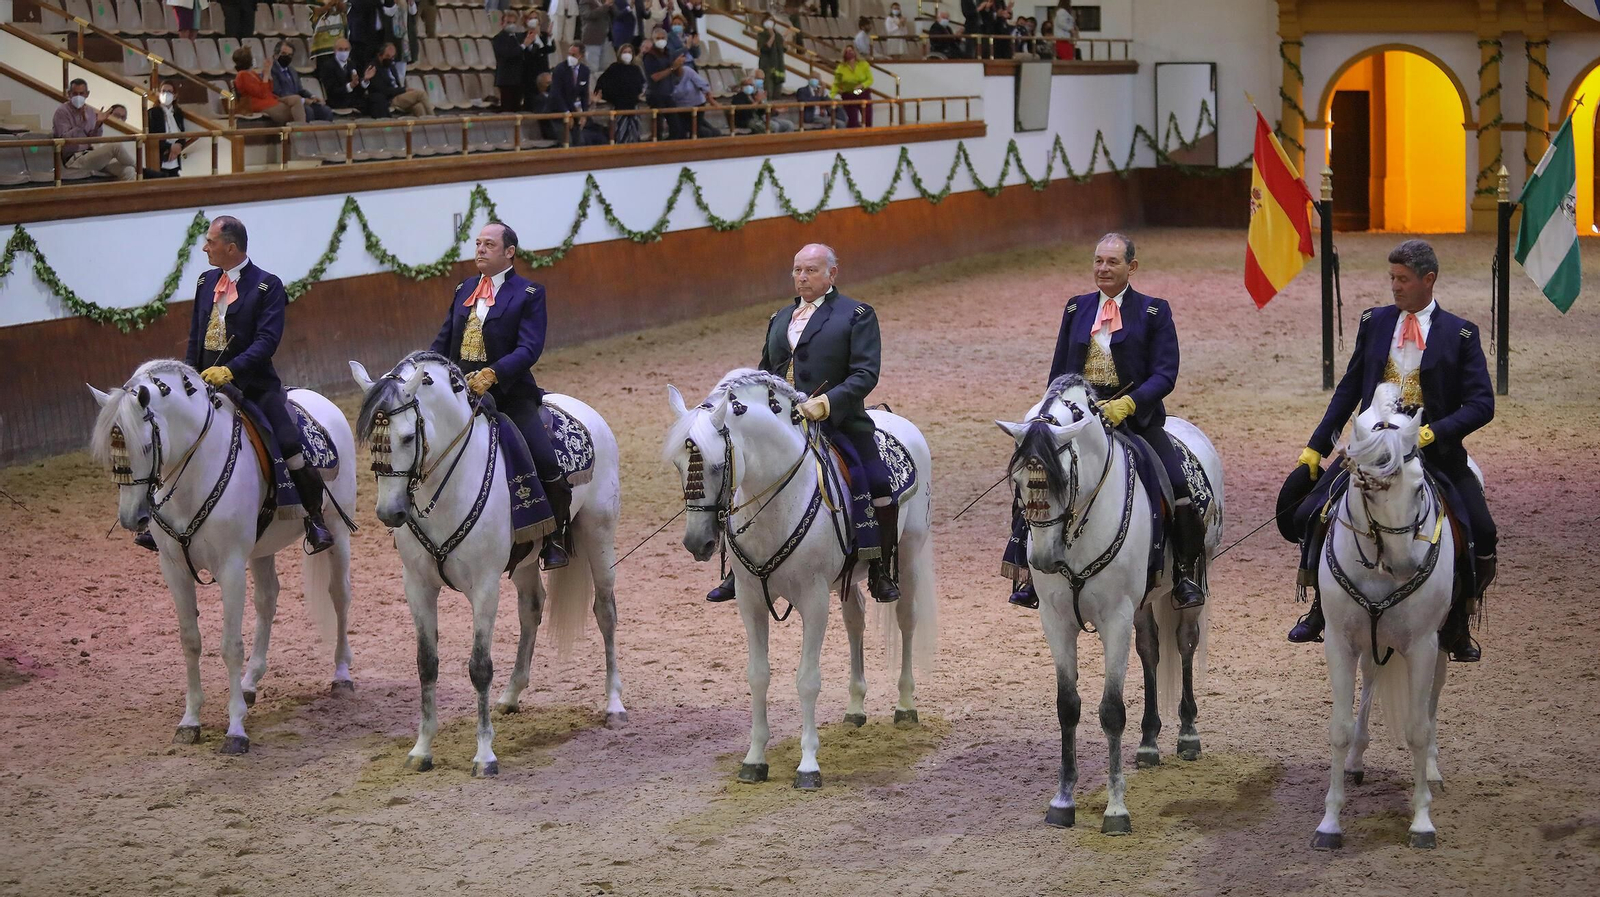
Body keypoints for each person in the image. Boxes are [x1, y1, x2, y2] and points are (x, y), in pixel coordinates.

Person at [1284, 240, 1495, 663]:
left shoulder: (1461, 334)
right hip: (1372, 447)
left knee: (1481, 531)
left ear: (1428, 279)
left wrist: (1433, 433)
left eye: (1403, 279)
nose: (1395, 286)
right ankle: (1321, 606)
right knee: (1311, 513)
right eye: (1392, 278)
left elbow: (1481, 404)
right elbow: (1349, 388)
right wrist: (1316, 445)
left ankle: (1458, 619)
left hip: (1432, 452)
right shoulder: (1375, 321)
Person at [1004, 234, 1207, 612]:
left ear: (1132, 267)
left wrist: (1128, 404)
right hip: (1078, 422)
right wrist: (1053, 412)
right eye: (1098, 261)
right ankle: (1029, 569)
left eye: (1112, 262)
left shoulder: (1154, 311)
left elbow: (1165, 374)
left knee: (1177, 485)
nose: (1103, 268)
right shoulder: (1076, 308)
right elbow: (1060, 372)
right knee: (1034, 475)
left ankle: (1183, 572)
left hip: (1136, 421)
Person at [706, 243, 901, 604]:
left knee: (877, 482)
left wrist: (826, 403)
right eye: (797, 270)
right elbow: (765, 372)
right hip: (780, 427)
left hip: (838, 424)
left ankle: (879, 567)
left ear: (831, 273)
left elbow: (864, 373)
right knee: (737, 477)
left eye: (811, 270)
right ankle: (736, 567)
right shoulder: (780, 318)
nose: (802, 277)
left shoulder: (856, 314)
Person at [156, 216, 335, 554]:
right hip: (205, 384)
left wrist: (231, 370)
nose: (205, 248)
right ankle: (160, 516)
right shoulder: (205, 281)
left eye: (211, 242)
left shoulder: (267, 286)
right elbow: (196, 335)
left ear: (231, 247)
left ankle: (314, 518)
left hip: (254, 385)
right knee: (167, 436)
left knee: (289, 441)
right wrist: (188, 377)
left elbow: (267, 341)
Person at [430, 224, 573, 569]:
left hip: (509, 395)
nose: (480, 249)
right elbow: (444, 340)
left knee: (545, 460)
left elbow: (528, 348)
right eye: (478, 243)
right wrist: (424, 368)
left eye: (489, 244)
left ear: (509, 252)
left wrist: (493, 373)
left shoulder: (529, 293)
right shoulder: (464, 288)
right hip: (460, 395)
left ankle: (555, 536)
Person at [52, 79, 134, 181]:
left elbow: (95, 139)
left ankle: (134, 181)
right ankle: (142, 169)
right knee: (116, 146)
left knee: (128, 171)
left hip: (91, 155)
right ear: (69, 94)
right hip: (74, 160)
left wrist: (98, 124)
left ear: (87, 94)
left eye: (81, 93)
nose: (78, 97)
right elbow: (64, 139)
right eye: (75, 94)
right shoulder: (62, 112)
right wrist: (81, 125)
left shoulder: (90, 111)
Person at [233, 46, 307, 123]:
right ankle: (300, 127)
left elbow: (270, 89)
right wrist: (266, 75)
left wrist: (268, 71)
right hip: (260, 104)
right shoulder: (242, 75)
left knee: (296, 99)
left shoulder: (252, 73)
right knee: (296, 111)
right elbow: (262, 94)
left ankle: (301, 126)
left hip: (271, 99)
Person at [270, 40, 335, 122]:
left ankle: (324, 131)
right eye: (284, 54)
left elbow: (300, 90)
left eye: (290, 55)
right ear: (276, 55)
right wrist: (303, 100)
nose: (287, 57)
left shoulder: (292, 70)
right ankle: (302, 131)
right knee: (308, 111)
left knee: (325, 111)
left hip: (299, 102)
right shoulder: (271, 70)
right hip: (285, 104)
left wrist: (312, 97)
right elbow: (278, 93)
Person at [366, 40, 434, 117]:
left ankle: (425, 123)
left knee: (418, 107)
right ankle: (434, 119)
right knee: (421, 94)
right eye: (387, 56)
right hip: (389, 98)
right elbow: (383, 90)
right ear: (380, 55)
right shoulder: (373, 68)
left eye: (392, 57)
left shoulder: (391, 66)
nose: (390, 58)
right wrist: (404, 90)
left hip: (399, 94)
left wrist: (403, 91)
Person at [596, 45, 646, 142]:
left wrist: (641, 93)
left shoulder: (635, 69)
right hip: (619, 105)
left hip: (633, 105)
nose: (627, 54)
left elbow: (642, 84)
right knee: (621, 132)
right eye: (625, 52)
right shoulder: (614, 68)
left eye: (629, 52)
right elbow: (602, 83)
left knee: (634, 132)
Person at [642, 27, 685, 139]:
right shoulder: (649, 56)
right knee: (658, 127)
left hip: (668, 94)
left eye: (663, 38)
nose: (661, 40)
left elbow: (678, 74)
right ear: (653, 40)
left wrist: (679, 65)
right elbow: (655, 77)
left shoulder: (669, 53)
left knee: (676, 126)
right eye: (658, 38)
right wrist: (672, 67)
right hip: (655, 95)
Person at [146, 79, 191, 178]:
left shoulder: (178, 113)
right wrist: (170, 147)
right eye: (163, 91)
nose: (166, 94)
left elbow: (182, 133)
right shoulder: (153, 112)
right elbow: (152, 136)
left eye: (169, 91)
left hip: (175, 159)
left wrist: (178, 146)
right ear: (159, 94)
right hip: (159, 158)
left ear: (174, 96)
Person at [671, 57, 722, 138]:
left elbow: (703, 85)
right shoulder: (668, 75)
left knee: (695, 129)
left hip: (697, 104)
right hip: (680, 106)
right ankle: (714, 133)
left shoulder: (688, 71)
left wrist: (711, 100)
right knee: (683, 128)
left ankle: (712, 134)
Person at [492, 10, 531, 112]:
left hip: (518, 78)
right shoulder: (498, 38)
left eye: (514, 22)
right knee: (507, 109)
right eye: (509, 22)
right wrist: (523, 46)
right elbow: (506, 54)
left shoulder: (518, 37)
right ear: (502, 23)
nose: (511, 25)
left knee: (517, 108)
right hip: (506, 79)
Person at [729, 74, 793, 133]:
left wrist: (774, 110)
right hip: (747, 121)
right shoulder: (738, 97)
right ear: (742, 86)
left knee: (789, 125)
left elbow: (762, 111)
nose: (749, 86)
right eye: (747, 85)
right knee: (774, 126)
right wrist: (757, 101)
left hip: (760, 119)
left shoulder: (753, 96)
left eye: (751, 85)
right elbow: (744, 111)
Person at [316, 38, 367, 110]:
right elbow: (331, 90)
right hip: (337, 101)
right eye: (340, 49)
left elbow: (357, 88)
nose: (343, 52)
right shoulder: (328, 66)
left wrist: (365, 80)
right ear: (335, 50)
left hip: (353, 100)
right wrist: (350, 86)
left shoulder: (352, 64)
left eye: (346, 49)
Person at [520, 10, 554, 111]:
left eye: (535, 18)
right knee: (531, 100)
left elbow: (550, 49)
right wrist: (531, 41)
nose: (533, 20)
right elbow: (529, 52)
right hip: (529, 73)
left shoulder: (544, 35)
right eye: (530, 18)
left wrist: (547, 37)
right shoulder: (522, 36)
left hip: (543, 70)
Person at [548, 41, 594, 117]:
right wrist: (566, 112)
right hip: (558, 109)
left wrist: (584, 113)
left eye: (573, 55)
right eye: (569, 54)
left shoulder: (585, 71)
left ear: (581, 56)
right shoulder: (560, 69)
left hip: (573, 108)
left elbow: (584, 94)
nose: (570, 57)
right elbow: (556, 93)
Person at [831, 45, 872, 128]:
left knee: (867, 117)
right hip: (849, 94)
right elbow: (837, 82)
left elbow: (870, 79)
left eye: (850, 51)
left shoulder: (863, 64)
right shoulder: (841, 67)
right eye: (847, 52)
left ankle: (868, 133)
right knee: (853, 120)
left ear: (855, 52)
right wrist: (832, 95)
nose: (849, 53)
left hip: (861, 92)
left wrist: (862, 85)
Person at [578, 0, 610, 73]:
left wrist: (610, 5)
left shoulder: (601, 1)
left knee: (604, 66)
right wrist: (605, 6)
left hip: (604, 37)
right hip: (592, 38)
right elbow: (589, 15)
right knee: (593, 67)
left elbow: (615, 14)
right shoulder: (584, 2)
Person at [756, 16, 785, 97]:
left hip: (778, 65)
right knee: (768, 88)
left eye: (772, 21)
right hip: (766, 65)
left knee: (777, 90)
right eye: (768, 21)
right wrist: (772, 36)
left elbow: (783, 48)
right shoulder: (762, 34)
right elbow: (764, 48)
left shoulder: (778, 35)